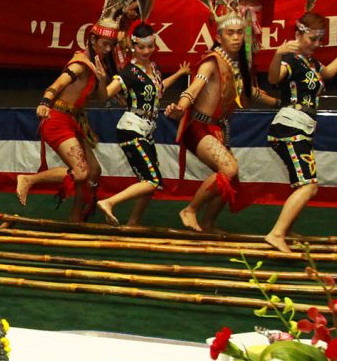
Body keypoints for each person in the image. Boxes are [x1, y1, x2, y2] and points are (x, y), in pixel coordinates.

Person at [164, 13, 274, 231]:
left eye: (240, 33)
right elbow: (194, 88)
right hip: (198, 126)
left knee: (230, 178)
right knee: (228, 168)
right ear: (219, 37)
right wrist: (180, 107)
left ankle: (208, 223)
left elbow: (253, 93)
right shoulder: (212, 61)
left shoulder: (237, 65)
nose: (236, 38)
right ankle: (190, 210)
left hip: (216, 128)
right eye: (230, 33)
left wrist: (283, 102)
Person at [263, 13, 337, 253]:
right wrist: (277, 53)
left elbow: (328, 74)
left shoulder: (313, 64)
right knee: (309, 186)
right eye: (312, 39)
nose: (316, 44)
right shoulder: (290, 60)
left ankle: (285, 230)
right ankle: (276, 233)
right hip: (289, 126)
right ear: (298, 35)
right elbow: (273, 78)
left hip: (301, 127)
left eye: (319, 40)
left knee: (304, 184)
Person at [15, 21, 115, 220]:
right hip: (58, 120)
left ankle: (75, 218)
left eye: (111, 45)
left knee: (93, 171)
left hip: (74, 120)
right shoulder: (80, 64)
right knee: (81, 173)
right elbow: (57, 84)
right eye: (105, 43)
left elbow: (102, 97)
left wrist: (103, 79)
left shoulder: (95, 65)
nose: (108, 49)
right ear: (93, 39)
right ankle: (28, 179)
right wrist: (45, 102)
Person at [97, 22, 189, 226]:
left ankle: (133, 222)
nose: (146, 51)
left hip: (146, 130)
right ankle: (108, 202)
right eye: (141, 47)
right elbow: (105, 95)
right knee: (152, 180)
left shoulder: (154, 67)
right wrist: (102, 79)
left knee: (149, 183)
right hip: (131, 129)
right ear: (133, 47)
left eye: (150, 46)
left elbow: (159, 88)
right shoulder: (128, 72)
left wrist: (180, 74)